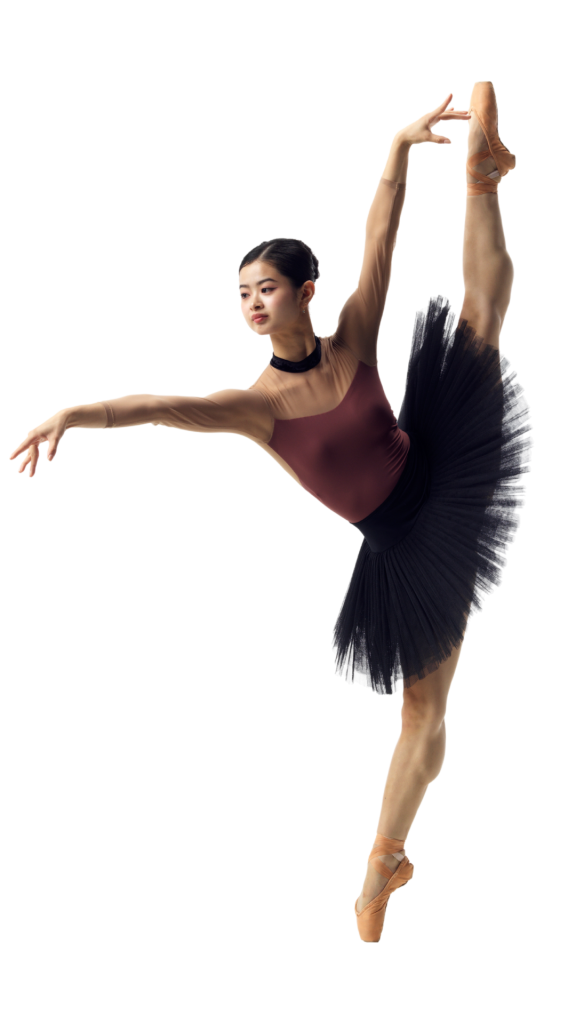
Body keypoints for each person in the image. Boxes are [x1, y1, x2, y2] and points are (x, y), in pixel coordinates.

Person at [8, 83, 533, 943]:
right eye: (243, 294)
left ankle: (480, 177)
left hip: (438, 471)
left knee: (483, 317)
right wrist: (73, 415)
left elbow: (382, 237)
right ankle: (382, 866)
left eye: (266, 289)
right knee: (422, 718)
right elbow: (154, 404)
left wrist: (398, 153)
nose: (252, 303)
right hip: (404, 545)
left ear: (306, 292)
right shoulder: (252, 407)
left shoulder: (357, 332)